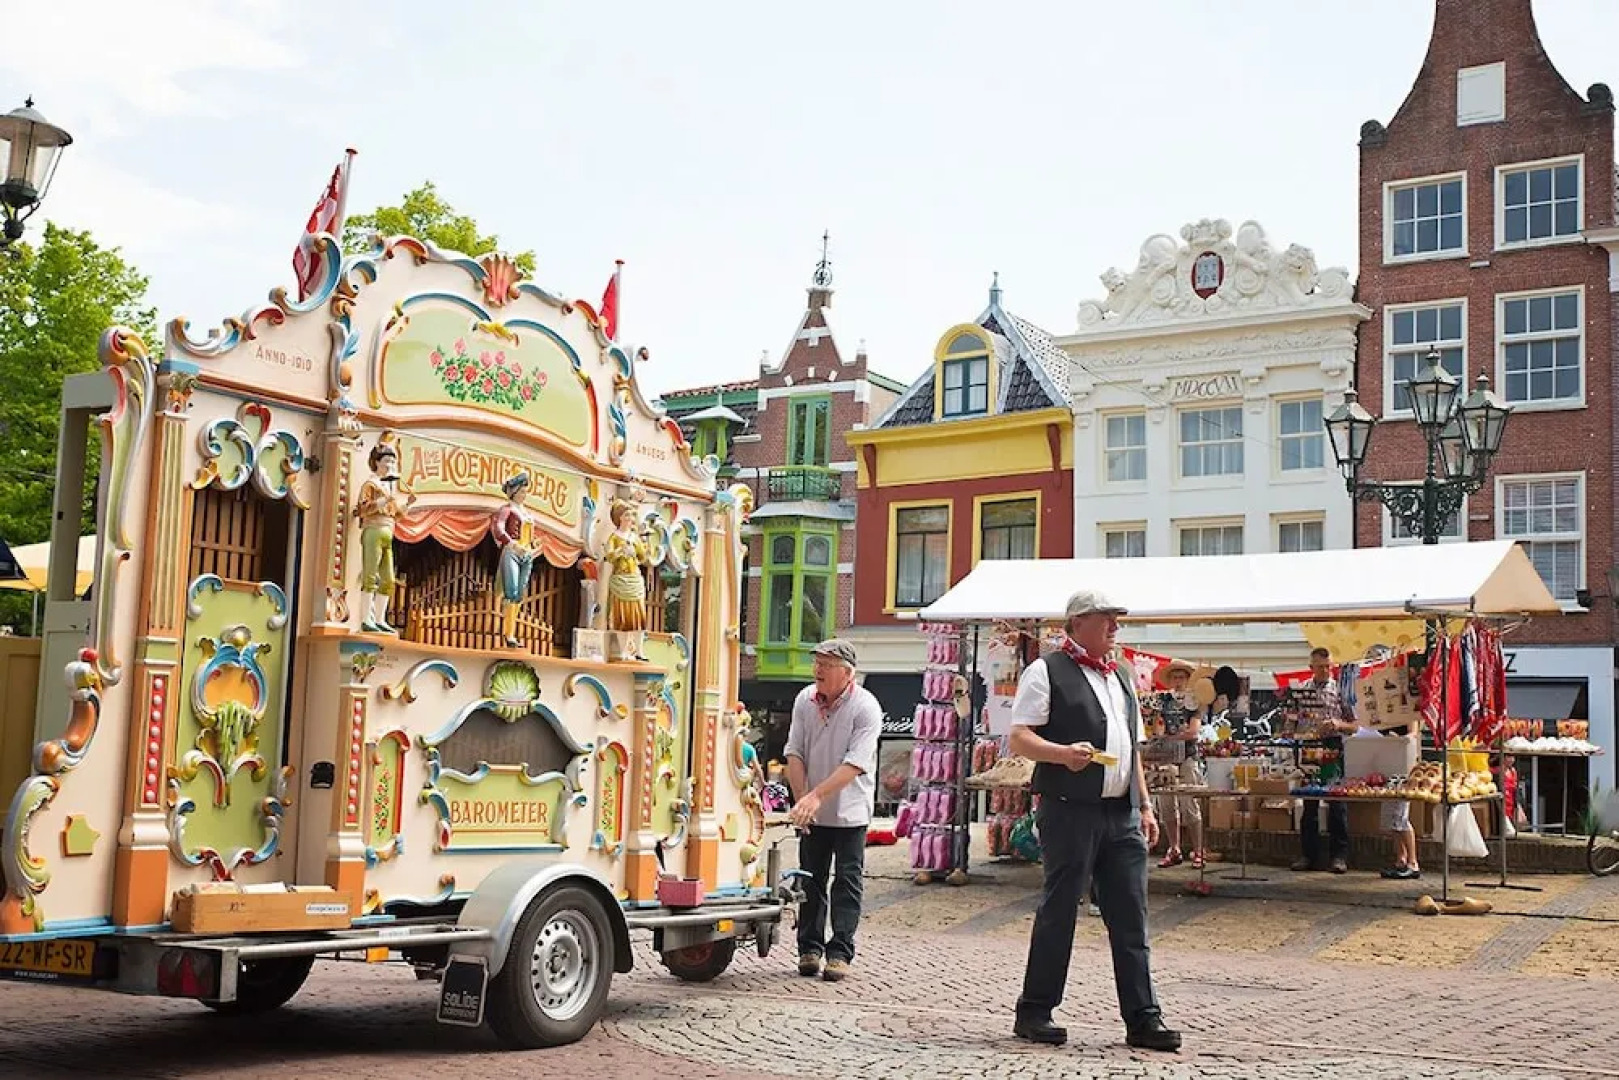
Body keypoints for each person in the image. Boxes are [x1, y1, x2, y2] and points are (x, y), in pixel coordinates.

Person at [1008, 589, 1180, 1053]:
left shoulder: (1122, 675)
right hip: (1067, 808)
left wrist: (1143, 806)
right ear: (1078, 623)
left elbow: (1133, 750)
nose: (1116, 628)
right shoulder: (1046, 670)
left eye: (1116, 620)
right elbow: (1020, 738)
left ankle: (1143, 1018)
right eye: (1107, 619)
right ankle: (1036, 1009)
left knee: (1132, 916)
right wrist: (1063, 755)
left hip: (1119, 812)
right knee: (1060, 909)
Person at [785, 638, 882, 984]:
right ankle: (808, 948)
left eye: (826, 664)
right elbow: (794, 751)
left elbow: (854, 763)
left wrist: (816, 796)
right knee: (809, 879)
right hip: (813, 809)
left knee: (847, 881)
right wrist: (802, 799)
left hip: (850, 811)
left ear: (847, 672)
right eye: (817, 663)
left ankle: (840, 951)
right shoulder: (804, 701)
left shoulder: (866, 707)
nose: (818, 670)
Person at [1292, 647, 1353, 874]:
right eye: (1321, 667)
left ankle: (1339, 856)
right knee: (1309, 803)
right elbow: (1291, 720)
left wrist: (1339, 725)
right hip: (1308, 747)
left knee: (1336, 801)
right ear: (1311, 668)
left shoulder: (1341, 690)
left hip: (1332, 746)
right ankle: (1309, 855)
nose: (1326, 670)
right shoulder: (1302, 691)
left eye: (1329, 666)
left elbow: (1356, 724)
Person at [353, 432, 416, 633]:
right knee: (370, 577)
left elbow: (396, 515)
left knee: (388, 579)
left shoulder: (388, 487)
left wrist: (408, 505)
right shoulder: (371, 484)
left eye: (392, 461)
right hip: (373, 530)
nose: (390, 465)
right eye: (387, 461)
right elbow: (362, 509)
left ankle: (380, 619)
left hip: (388, 532)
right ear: (378, 463)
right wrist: (383, 500)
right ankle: (366, 619)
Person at [1146, 660, 1205, 870]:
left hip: (1188, 756)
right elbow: (1156, 727)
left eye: (1182, 677)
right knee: (1167, 805)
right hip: (1166, 758)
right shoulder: (1164, 702)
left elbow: (1193, 731)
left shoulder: (1194, 702)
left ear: (1188, 680)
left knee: (1189, 803)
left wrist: (1172, 737)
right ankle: (1174, 848)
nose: (1178, 681)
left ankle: (1198, 851)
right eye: (1175, 677)